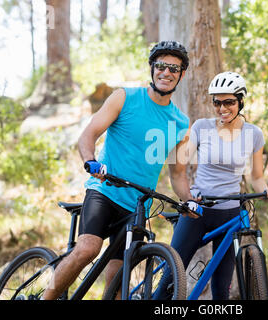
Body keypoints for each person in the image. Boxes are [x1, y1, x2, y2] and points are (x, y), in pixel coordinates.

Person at [42, 41, 198, 300]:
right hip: (104, 191)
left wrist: (189, 201)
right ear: (152, 69)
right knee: (88, 249)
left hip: (138, 206)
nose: (166, 73)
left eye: (174, 68)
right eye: (161, 66)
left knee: (117, 279)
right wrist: (91, 161)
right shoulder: (124, 97)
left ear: (181, 74)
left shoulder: (181, 123)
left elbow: (178, 173)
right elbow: (89, 134)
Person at [155, 71, 268, 300]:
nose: (222, 108)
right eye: (217, 102)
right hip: (198, 209)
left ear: (241, 101)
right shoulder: (202, 127)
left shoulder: (254, 134)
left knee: (221, 289)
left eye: (229, 102)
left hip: (230, 212)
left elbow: (257, 177)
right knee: (170, 278)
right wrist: (187, 196)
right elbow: (179, 167)